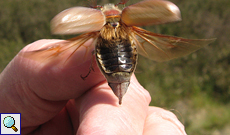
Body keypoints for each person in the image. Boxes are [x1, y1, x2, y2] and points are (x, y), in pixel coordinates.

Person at [0, 39, 187, 135]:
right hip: (117, 73)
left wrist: (7, 126)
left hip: (116, 72)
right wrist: (5, 124)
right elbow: (7, 126)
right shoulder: (8, 122)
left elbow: (7, 127)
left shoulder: (8, 124)